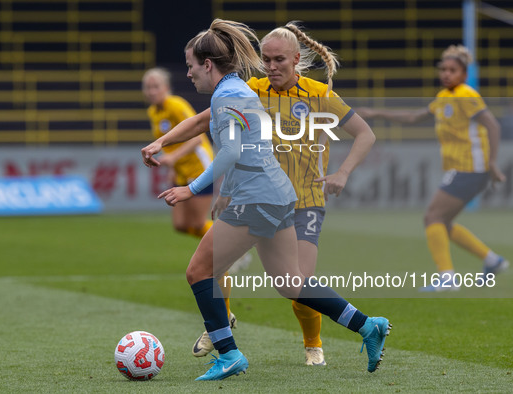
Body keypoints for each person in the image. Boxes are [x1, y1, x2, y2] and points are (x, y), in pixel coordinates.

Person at [142, 19, 390, 380]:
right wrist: (169, 148)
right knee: (291, 282)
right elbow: (245, 148)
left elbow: (229, 152)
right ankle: (369, 326)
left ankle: (227, 352)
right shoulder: (244, 90)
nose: (189, 72)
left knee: (199, 271)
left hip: (261, 198)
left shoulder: (230, 94)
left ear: (208, 65)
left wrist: (192, 189)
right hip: (277, 194)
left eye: (191, 66)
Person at [357, 45, 509, 291]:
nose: (447, 74)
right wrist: (376, 112)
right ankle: (492, 260)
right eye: (444, 69)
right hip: (462, 169)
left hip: (470, 168)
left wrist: (492, 162)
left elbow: (493, 125)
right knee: (443, 222)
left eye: (453, 70)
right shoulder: (444, 97)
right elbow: (413, 117)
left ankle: (447, 277)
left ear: (464, 73)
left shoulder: (465, 95)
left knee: (432, 217)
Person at [142, 67, 237, 330]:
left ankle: (226, 249)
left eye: (155, 86)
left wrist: (172, 157)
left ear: (166, 87)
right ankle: (224, 247)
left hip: (198, 167)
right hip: (181, 171)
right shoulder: (154, 112)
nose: (152, 92)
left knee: (197, 220)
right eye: (148, 87)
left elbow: (197, 136)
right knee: (181, 225)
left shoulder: (175, 105)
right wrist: (172, 164)